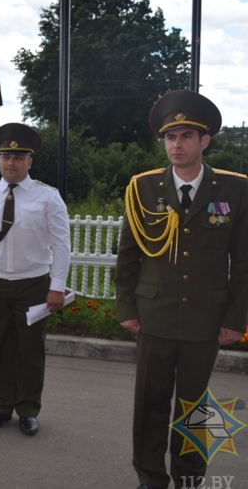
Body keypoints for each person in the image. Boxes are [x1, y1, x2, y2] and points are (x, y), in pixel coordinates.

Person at [115, 90, 248, 489]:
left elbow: (243, 261)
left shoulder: (234, 189)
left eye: (187, 136)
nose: (177, 144)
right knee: (149, 403)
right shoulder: (143, 188)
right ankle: (150, 477)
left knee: (194, 404)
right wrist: (126, 307)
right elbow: (128, 255)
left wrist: (236, 318)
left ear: (204, 141)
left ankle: (190, 477)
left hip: (205, 319)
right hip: (153, 314)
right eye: (171, 137)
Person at [0, 123, 70, 437]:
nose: (12, 162)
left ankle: (28, 409)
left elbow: (61, 244)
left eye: (19, 156)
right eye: (6, 156)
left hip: (33, 284)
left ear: (30, 162)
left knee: (30, 350)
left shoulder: (48, 198)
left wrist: (56, 286)